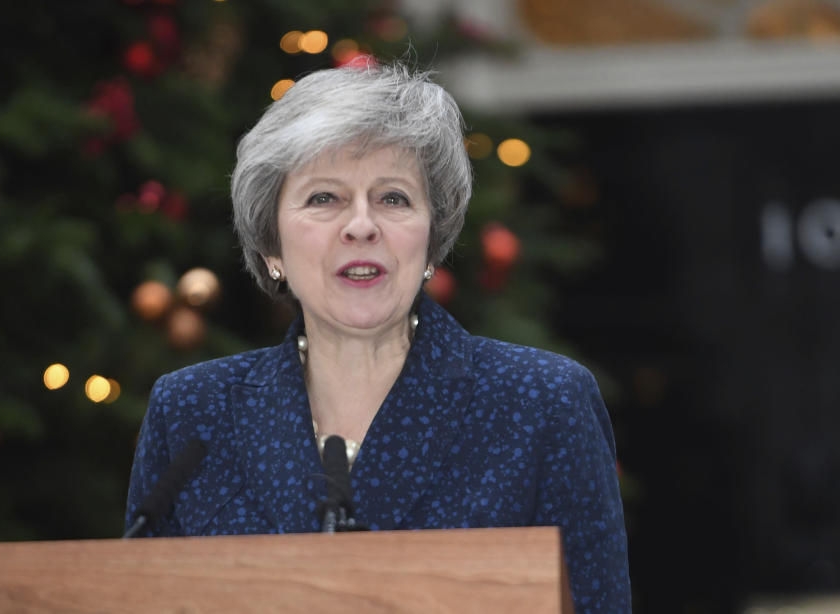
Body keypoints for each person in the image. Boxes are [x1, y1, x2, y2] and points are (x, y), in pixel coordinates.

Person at [125, 62, 631, 612]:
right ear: (273, 249)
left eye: (393, 198)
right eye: (324, 198)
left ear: (431, 241)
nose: (361, 225)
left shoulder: (541, 402)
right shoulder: (193, 411)